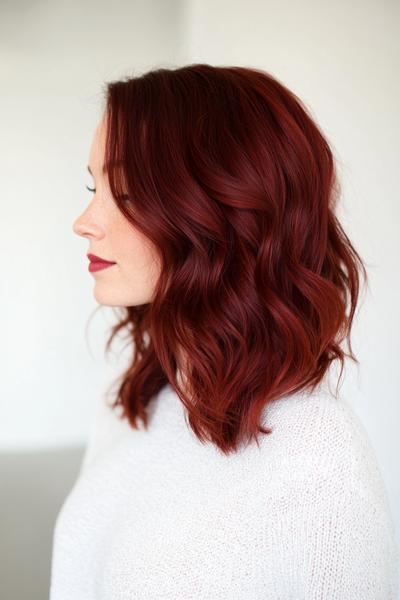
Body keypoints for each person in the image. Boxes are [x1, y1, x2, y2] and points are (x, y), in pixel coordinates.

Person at [49, 64, 399, 599]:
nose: (84, 220)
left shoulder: (321, 460)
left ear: (219, 210)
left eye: (126, 192)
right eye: (94, 185)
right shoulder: (134, 398)